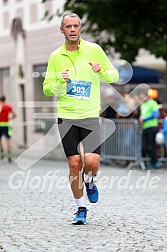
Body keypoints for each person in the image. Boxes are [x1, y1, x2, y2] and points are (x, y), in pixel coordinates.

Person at [43, 13, 119, 224]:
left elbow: (114, 75)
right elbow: (48, 89)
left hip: (89, 115)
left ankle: (90, 181)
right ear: (62, 30)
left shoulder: (94, 50)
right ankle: (81, 208)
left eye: (76, 26)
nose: (73, 29)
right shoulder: (55, 56)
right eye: (68, 26)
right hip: (66, 116)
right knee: (74, 163)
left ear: (81, 28)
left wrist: (101, 70)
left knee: (92, 161)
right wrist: (60, 80)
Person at [139, 89, 161, 169]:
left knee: (151, 146)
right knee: (143, 146)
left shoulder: (153, 103)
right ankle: (148, 162)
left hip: (152, 127)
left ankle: (155, 162)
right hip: (145, 127)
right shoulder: (142, 105)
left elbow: (155, 114)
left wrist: (144, 119)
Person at [0, 95, 16, 162]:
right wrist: (9, 118)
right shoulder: (8, 106)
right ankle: (9, 154)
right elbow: (14, 115)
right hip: (6, 125)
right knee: (8, 140)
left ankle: (2, 152)